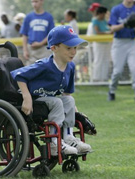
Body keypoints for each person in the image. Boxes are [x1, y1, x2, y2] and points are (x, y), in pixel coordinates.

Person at [11, 25, 92, 156]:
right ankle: (54, 143)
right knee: (57, 102)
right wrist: (26, 97)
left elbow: (67, 93)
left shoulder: (70, 67)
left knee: (69, 100)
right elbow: (19, 75)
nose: (73, 52)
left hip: (49, 100)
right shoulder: (44, 65)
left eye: (75, 48)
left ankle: (69, 137)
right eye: (68, 48)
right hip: (34, 99)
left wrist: (76, 113)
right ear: (54, 48)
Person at [108, 0, 135, 102]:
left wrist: (133, 25)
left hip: (131, 42)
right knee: (117, 71)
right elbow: (112, 28)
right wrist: (125, 24)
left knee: (134, 68)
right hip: (119, 43)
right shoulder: (116, 9)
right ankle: (112, 91)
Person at [20, 0, 55, 65]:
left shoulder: (49, 17)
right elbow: (24, 35)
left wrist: (40, 43)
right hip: (31, 50)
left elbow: (51, 34)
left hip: (44, 50)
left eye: (36, 1)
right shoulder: (28, 17)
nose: (34, 4)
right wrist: (25, 50)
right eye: (32, 2)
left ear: (42, 1)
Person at [92, 6, 111, 82]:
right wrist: (107, 33)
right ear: (99, 13)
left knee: (106, 60)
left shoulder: (105, 21)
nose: (104, 16)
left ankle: (104, 78)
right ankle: (96, 78)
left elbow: (109, 28)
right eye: (103, 14)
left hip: (107, 43)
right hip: (99, 43)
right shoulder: (95, 20)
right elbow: (97, 32)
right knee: (98, 60)